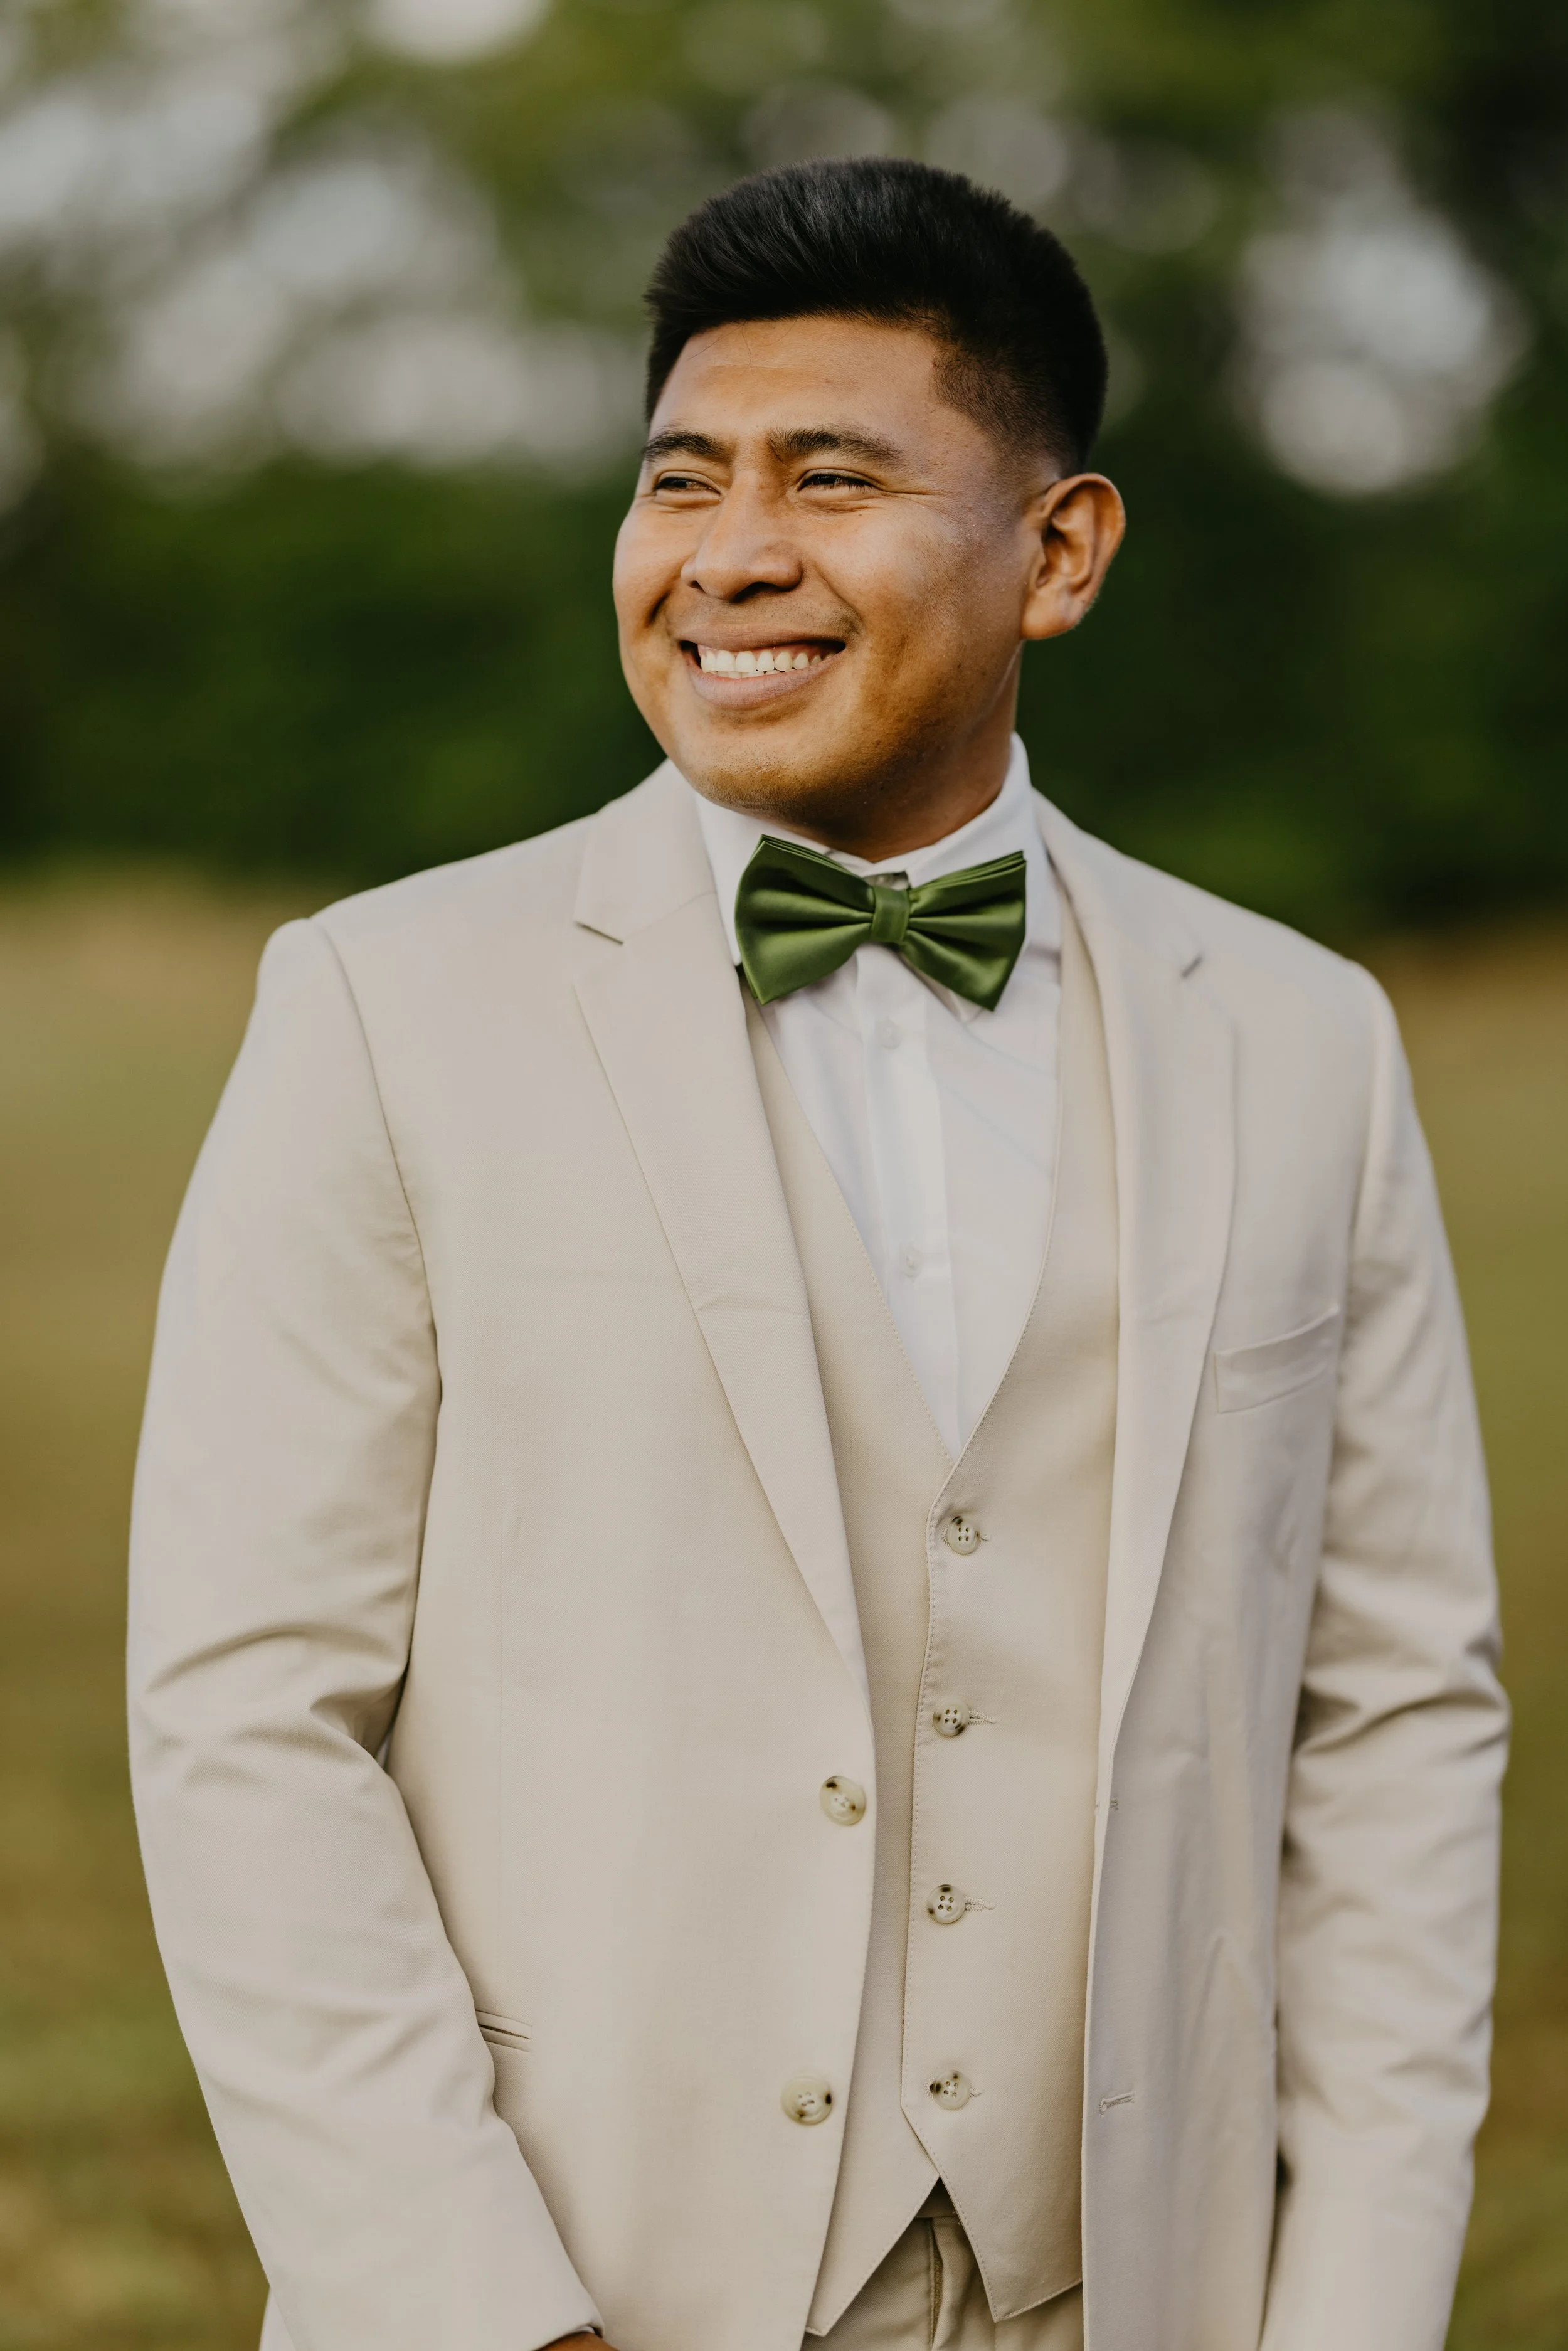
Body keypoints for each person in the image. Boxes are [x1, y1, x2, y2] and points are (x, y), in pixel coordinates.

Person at [128, 158, 1507, 2351]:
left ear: (1058, 552)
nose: (729, 551)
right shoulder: (385, 1001)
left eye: (831, 477)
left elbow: (1392, 1724)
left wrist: (1344, 2313)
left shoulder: (1295, 1033)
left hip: (1134, 2280)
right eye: (681, 480)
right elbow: (245, 1714)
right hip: (589, 2269)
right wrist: (479, 2309)